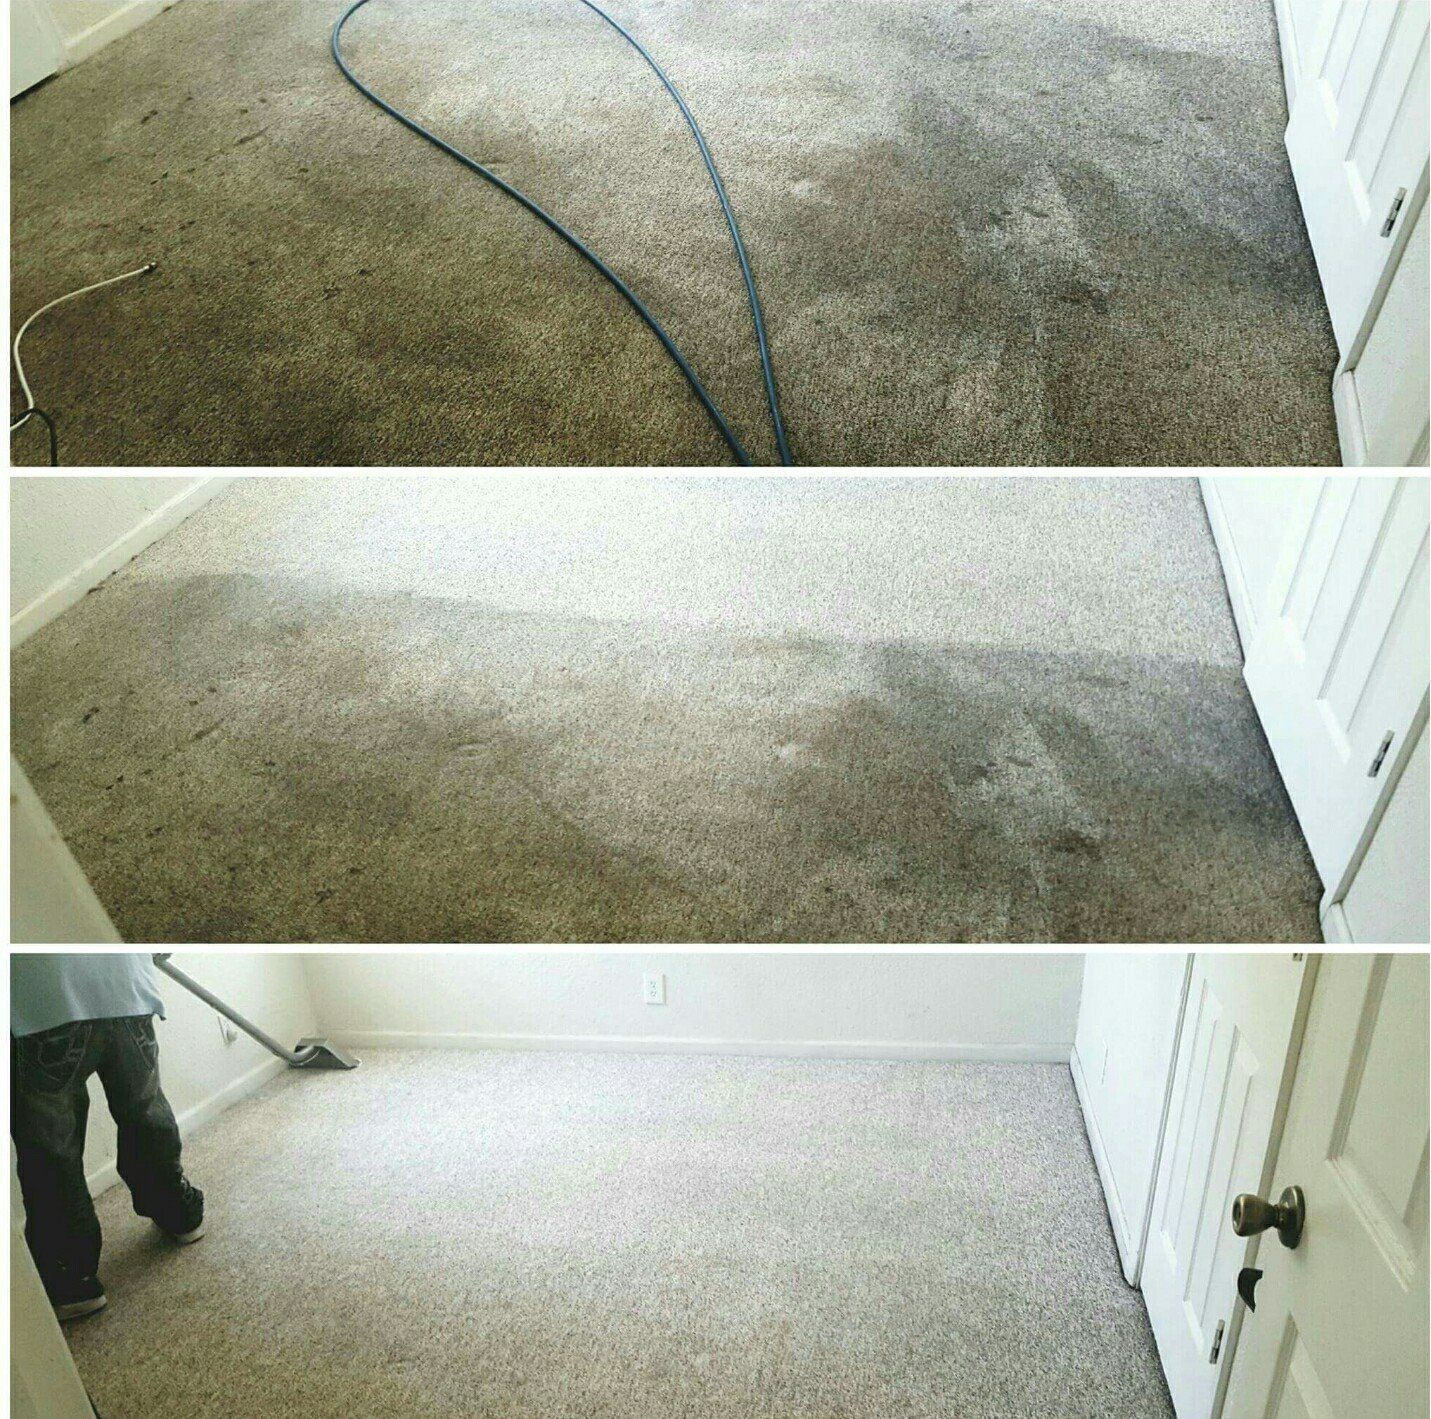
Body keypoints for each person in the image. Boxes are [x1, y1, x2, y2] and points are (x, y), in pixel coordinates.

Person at [10, 953, 205, 1320]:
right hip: (125, 987)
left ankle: (69, 1274)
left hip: (41, 999)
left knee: (52, 1145)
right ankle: (177, 1211)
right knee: (144, 1110)